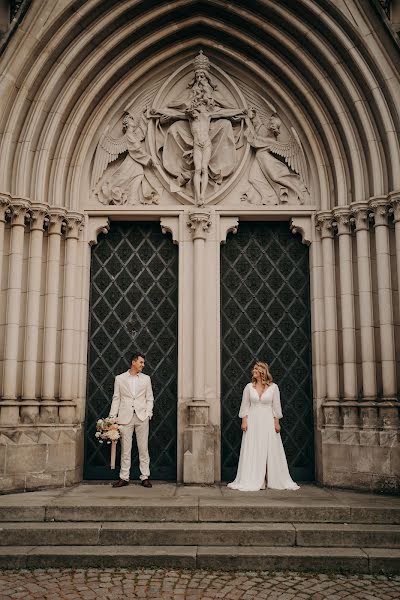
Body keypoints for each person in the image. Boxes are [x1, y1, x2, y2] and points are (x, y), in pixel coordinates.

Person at [228, 361, 299, 492]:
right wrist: (244, 421)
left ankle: (267, 478)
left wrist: (276, 423)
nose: (253, 371)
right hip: (253, 421)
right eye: (253, 369)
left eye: (255, 369)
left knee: (268, 449)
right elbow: (245, 406)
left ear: (262, 371)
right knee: (254, 448)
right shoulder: (249, 387)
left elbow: (276, 407)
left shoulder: (273, 387)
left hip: (267, 422)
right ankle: (257, 479)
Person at [109, 352, 154, 488]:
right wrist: (112, 418)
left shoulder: (146, 379)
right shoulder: (120, 378)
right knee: (125, 449)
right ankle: (124, 477)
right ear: (133, 362)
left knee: (143, 448)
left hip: (142, 417)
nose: (143, 365)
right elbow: (116, 399)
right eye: (141, 362)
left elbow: (149, 398)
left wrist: (148, 413)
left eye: (143, 363)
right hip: (125, 418)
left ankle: (145, 476)